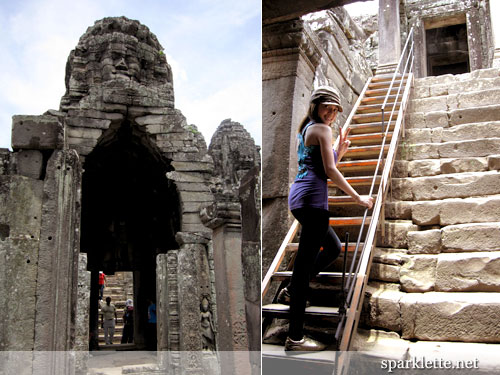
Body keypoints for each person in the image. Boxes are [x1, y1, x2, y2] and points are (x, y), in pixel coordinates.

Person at [283, 86, 374, 352]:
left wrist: (339, 151)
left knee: (333, 248)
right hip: (312, 202)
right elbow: (330, 171)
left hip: (301, 199)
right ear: (315, 106)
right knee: (302, 271)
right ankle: (295, 337)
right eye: (327, 108)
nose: (332, 114)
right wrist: (358, 198)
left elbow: (320, 164)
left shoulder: (308, 128)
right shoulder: (322, 129)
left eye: (335, 110)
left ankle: (291, 289)